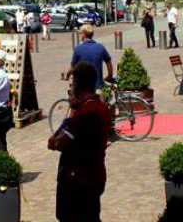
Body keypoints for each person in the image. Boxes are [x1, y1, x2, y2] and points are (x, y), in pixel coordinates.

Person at [49, 62, 112, 222]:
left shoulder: (84, 113)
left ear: (78, 85)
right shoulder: (101, 107)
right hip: (95, 175)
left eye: (71, 85)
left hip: (77, 180)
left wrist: (70, 118)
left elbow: (58, 143)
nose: (70, 90)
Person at [66, 24, 113, 90]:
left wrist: (67, 76)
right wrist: (109, 76)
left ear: (84, 35)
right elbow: (109, 62)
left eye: (81, 34)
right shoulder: (100, 47)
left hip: (82, 86)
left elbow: (72, 67)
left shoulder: (78, 49)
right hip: (98, 85)